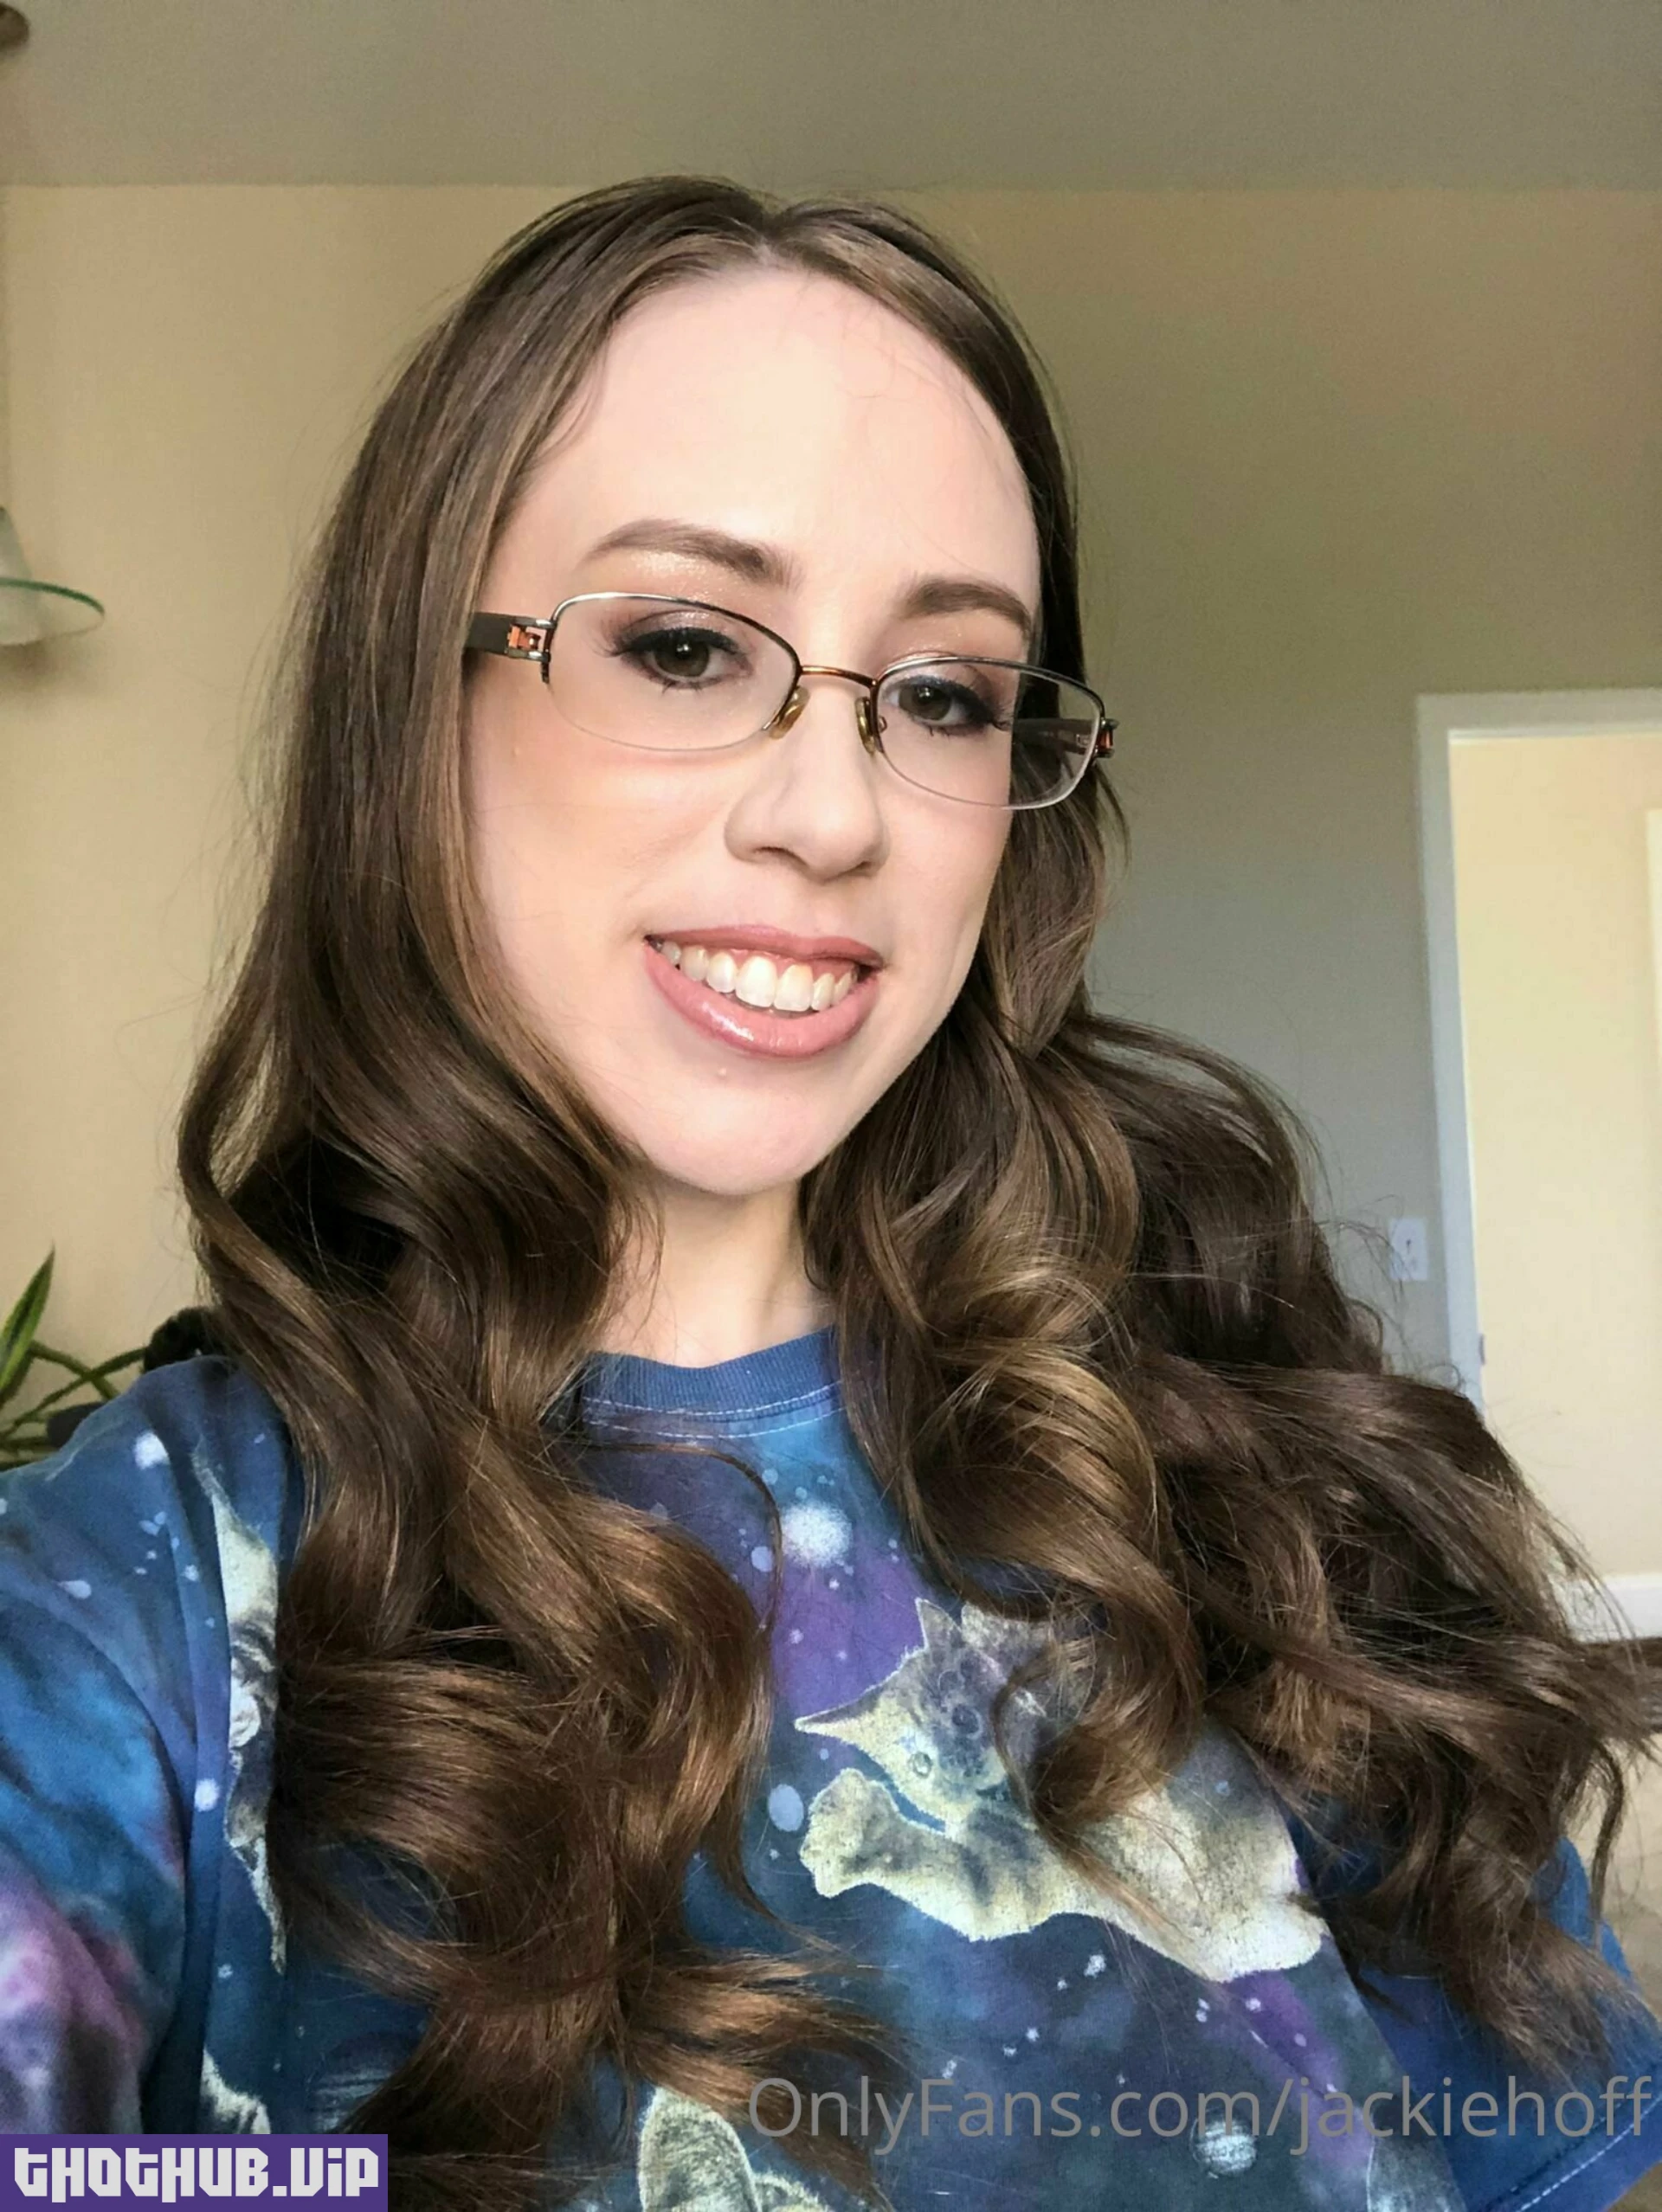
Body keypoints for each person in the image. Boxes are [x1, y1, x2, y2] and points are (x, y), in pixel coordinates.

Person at [0, 176, 1656, 2212]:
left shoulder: (1248, 1437)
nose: (835, 810)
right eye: (688, 646)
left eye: (944, 693)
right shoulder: (139, 1599)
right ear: (412, 713)